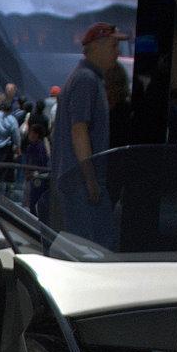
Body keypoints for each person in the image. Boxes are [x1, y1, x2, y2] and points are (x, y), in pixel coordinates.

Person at [51, 22, 127, 243]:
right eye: (113, 46)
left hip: (79, 180)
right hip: (81, 182)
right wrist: (91, 179)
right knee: (93, 245)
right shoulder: (86, 80)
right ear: (97, 46)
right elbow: (79, 130)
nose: (117, 52)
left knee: (87, 242)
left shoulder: (85, 78)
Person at [21, 119, 51, 217]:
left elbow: (41, 163)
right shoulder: (33, 146)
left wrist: (33, 173)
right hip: (30, 176)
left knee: (32, 201)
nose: (29, 135)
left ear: (36, 134)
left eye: (31, 133)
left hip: (35, 178)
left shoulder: (39, 147)